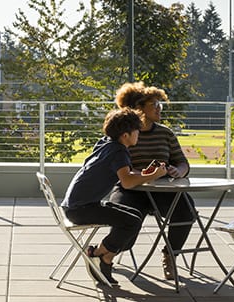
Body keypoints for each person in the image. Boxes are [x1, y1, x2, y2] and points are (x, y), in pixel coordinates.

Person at [62, 108, 166, 285]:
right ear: (126, 135)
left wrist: (144, 173)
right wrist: (153, 175)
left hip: (75, 205)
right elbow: (127, 182)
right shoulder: (119, 151)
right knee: (131, 222)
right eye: (137, 131)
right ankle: (101, 256)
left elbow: (127, 173)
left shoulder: (107, 144)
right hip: (81, 210)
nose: (139, 135)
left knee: (135, 216)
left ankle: (101, 254)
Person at [108, 82, 192, 280]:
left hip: (162, 189)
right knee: (123, 223)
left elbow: (183, 162)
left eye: (159, 104)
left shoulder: (165, 133)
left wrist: (178, 171)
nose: (159, 108)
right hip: (131, 189)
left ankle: (170, 255)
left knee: (186, 212)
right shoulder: (123, 135)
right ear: (139, 108)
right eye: (154, 104)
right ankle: (106, 254)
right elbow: (119, 167)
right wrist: (142, 173)